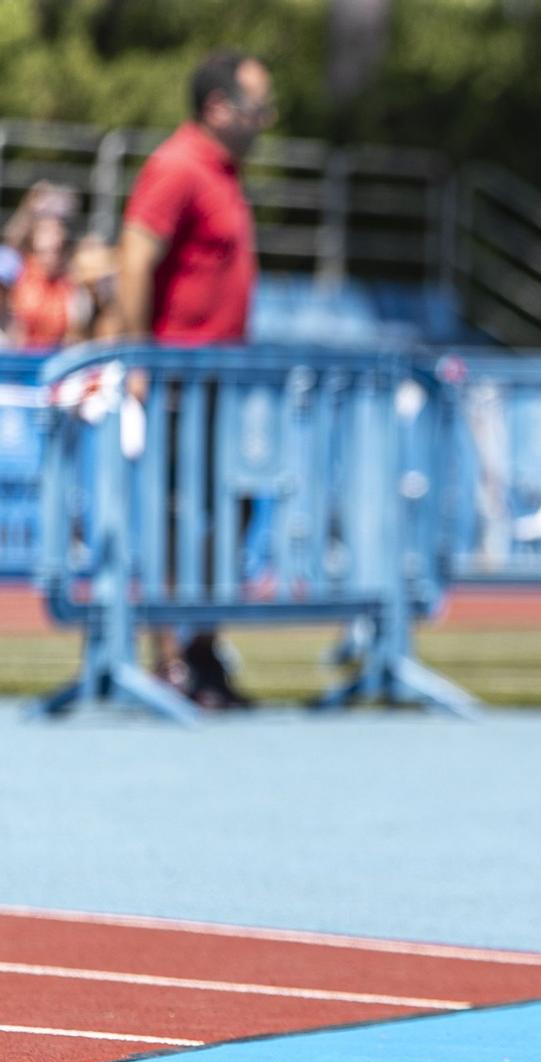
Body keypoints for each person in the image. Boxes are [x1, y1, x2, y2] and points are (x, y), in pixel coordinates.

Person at [115, 49, 274, 708]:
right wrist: (138, 361)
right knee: (173, 515)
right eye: (256, 107)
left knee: (225, 513)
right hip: (177, 376)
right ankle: (169, 660)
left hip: (218, 380)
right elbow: (134, 257)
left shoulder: (223, 174)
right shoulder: (178, 166)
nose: (265, 120)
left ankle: (203, 647)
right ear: (217, 108)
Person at [3, 185, 101, 349]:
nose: (53, 246)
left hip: (55, 360)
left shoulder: (72, 283)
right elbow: (11, 242)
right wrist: (27, 209)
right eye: (45, 249)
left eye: (57, 249)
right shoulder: (18, 268)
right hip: (17, 358)